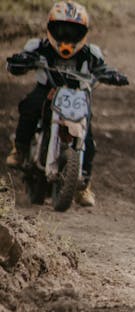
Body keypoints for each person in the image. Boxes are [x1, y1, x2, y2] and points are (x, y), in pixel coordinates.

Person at [5, 1, 128, 206]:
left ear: (83, 32)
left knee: (87, 136)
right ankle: (20, 148)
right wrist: (21, 61)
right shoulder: (38, 46)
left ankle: (84, 184)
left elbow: (102, 69)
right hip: (46, 91)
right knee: (29, 107)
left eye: (73, 31)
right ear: (51, 28)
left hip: (77, 95)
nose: (66, 36)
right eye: (61, 30)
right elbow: (18, 64)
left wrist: (113, 76)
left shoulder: (91, 53)